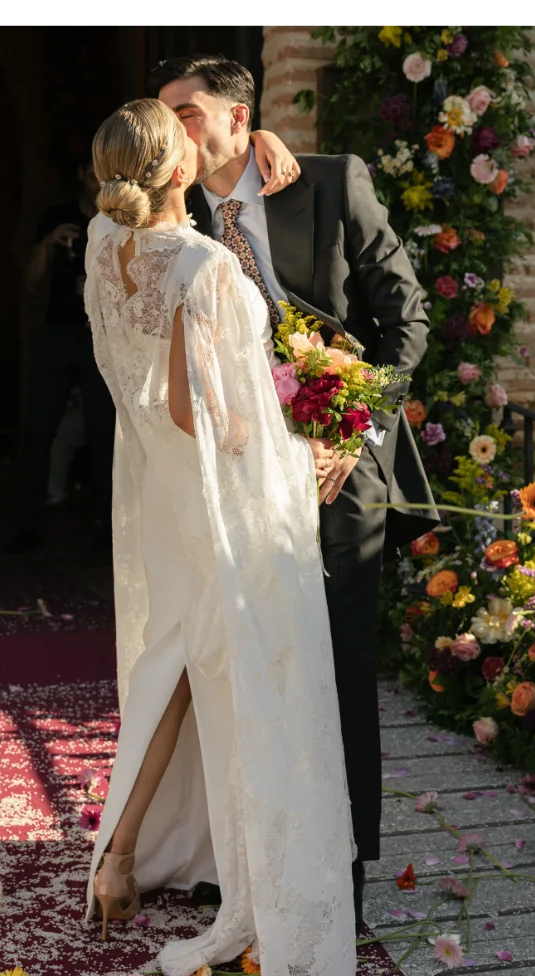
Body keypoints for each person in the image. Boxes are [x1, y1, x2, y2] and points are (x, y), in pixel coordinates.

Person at [77, 96, 356, 976]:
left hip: (158, 494)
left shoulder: (97, 245)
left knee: (175, 668)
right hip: (212, 503)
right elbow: (212, 419)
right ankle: (154, 860)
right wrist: (290, 420)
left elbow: (143, 393)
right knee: (227, 675)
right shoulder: (203, 267)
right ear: (183, 170)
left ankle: (128, 856)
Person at [153, 54, 436, 918]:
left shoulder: (330, 183)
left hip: (337, 468)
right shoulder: (177, 218)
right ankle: (249, 855)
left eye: (190, 114)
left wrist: (356, 432)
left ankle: (342, 869)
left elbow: (408, 321)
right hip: (239, 471)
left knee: (339, 666)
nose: (176, 132)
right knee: (248, 662)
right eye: (166, 117)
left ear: (241, 119)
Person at [8, 134, 306, 554]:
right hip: (210, 453)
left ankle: (94, 526)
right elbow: (193, 409)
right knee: (42, 429)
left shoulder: (102, 235)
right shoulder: (198, 259)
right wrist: (281, 450)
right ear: (180, 173)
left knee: (101, 433)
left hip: (157, 449)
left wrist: (261, 136)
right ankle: (30, 521)